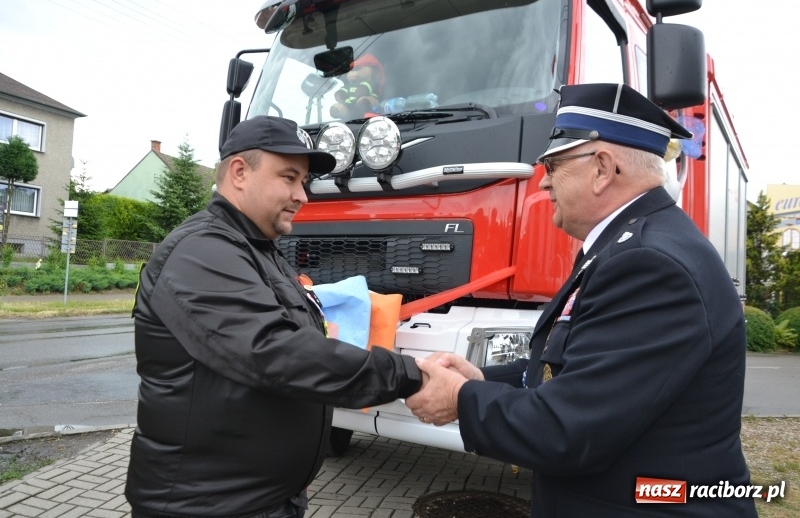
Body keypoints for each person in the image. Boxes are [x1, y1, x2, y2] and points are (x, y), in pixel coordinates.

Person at [406, 83, 757, 517]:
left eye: (555, 164)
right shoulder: (629, 245)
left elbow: (568, 429)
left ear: (603, 168)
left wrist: (461, 398)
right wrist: (480, 378)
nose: (543, 178)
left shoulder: (651, 263)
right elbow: (572, 368)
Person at [125, 115, 423, 518]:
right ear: (239, 172)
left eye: (304, 182)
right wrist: (410, 375)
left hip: (259, 499)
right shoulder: (202, 252)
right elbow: (277, 353)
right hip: (207, 506)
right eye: (289, 177)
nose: (302, 195)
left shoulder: (259, 251)